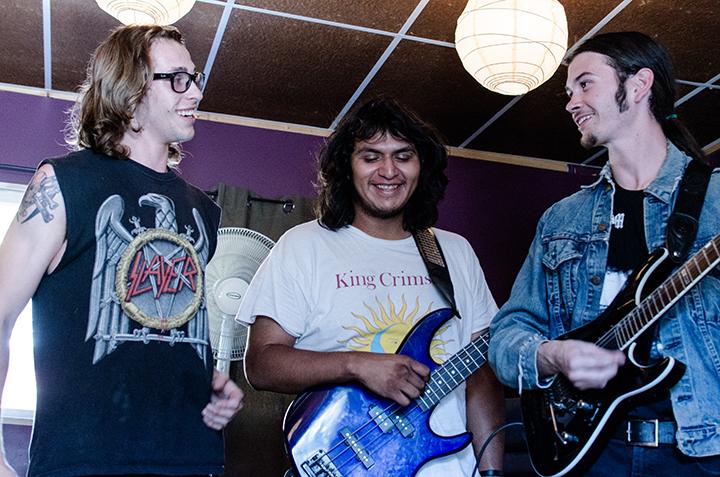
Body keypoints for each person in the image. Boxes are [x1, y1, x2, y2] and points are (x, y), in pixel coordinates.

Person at [0, 25, 243, 477]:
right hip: (84, 463)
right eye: (177, 79)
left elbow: (166, 327)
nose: (194, 93)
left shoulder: (204, 211)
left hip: (193, 462)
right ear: (129, 93)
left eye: (195, 78)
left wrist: (205, 381)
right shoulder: (62, 184)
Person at [489, 31, 720, 475]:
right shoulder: (561, 219)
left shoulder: (713, 200)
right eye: (569, 91)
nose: (571, 102)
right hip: (591, 450)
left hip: (702, 451)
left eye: (585, 84)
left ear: (637, 86)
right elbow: (507, 335)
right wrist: (552, 355)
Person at [236, 97, 504, 476]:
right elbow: (261, 365)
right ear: (348, 165)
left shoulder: (454, 252)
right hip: (347, 459)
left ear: (420, 165)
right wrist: (356, 364)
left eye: (403, 155)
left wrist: (492, 472)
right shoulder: (304, 245)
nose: (389, 170)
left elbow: (482, 373)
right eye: (371, 156)